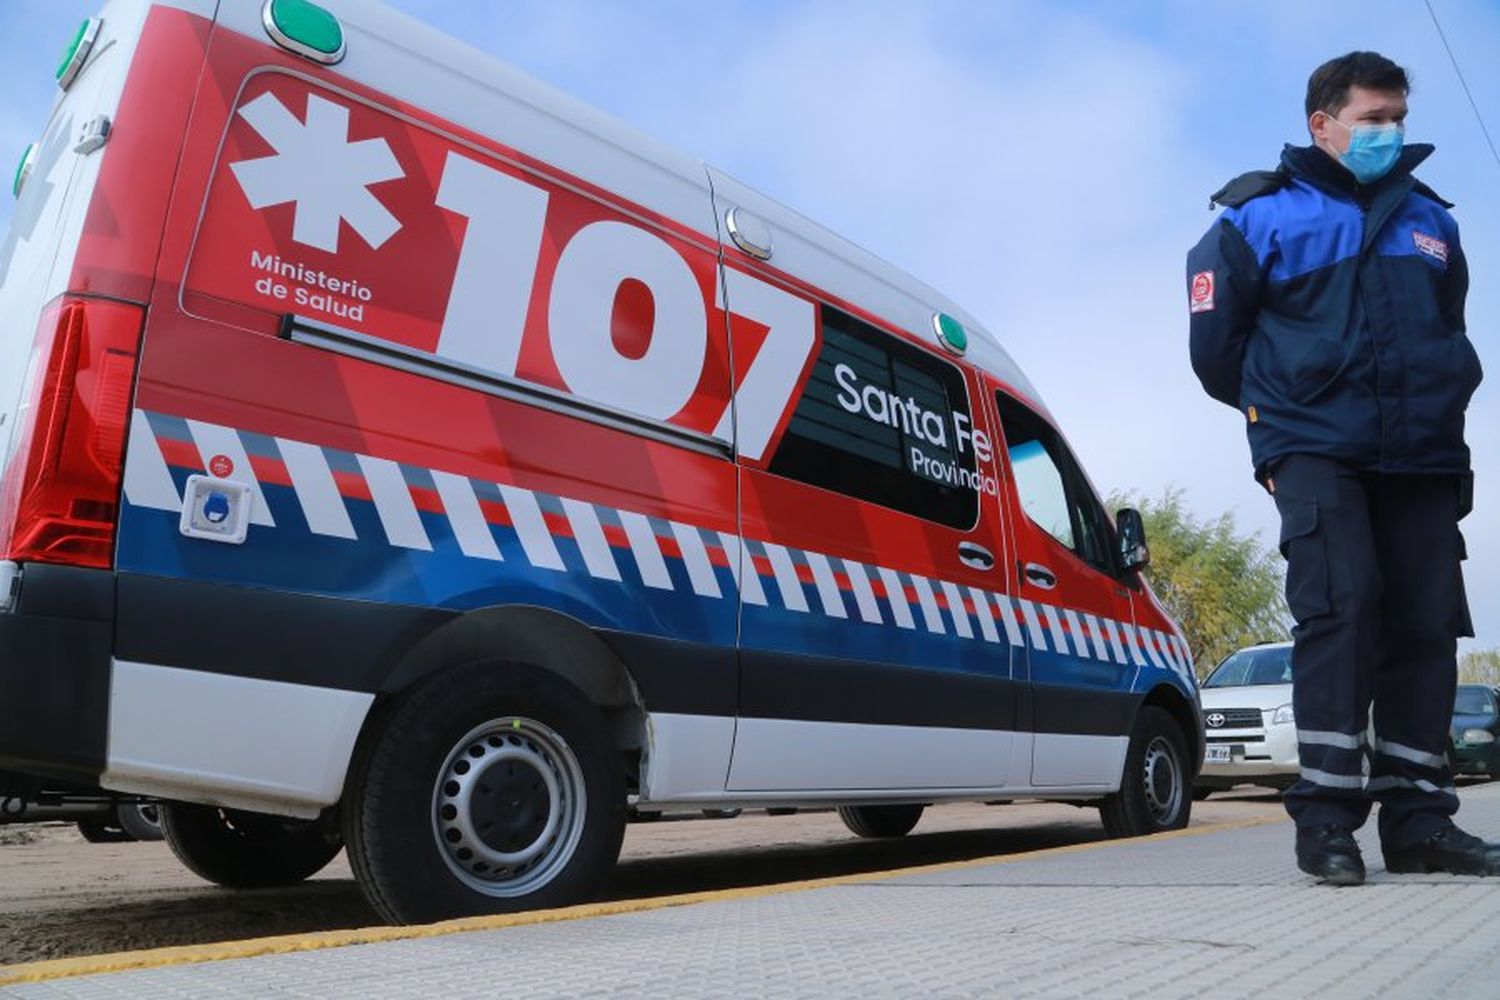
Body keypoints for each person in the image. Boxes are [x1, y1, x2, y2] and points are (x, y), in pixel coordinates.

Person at [1186, 51, 1488, 885]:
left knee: (1425, 631)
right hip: (1317, 450)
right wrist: (1274, 439)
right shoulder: (1255, 219)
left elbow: (1448, 330)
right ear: (1322, 124)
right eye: (1372, 119)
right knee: (1341, 613)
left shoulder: (1434, 223)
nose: (1389, 133)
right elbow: (1218, 353)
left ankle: (1422, 822)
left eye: (1398, 119)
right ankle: (1325, 823)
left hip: (1421, 457)